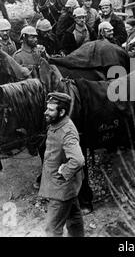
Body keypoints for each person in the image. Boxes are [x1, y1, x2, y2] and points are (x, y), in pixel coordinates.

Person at [39, 92, 85, 237]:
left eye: (51, 110)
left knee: (52, 230)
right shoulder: (57, 123)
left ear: (62, 112)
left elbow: (78, 160)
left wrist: (64, 171)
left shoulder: (67, 132)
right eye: (47, 108)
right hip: (65, 187)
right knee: (74, 217)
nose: (46, 112)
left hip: (61, 189)